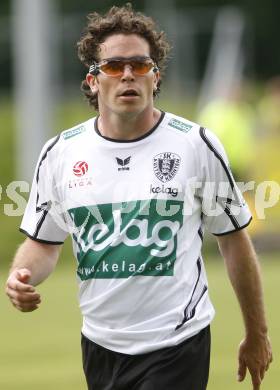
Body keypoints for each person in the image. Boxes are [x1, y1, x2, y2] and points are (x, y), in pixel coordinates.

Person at [6, 4, 272, 390]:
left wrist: (257, 332)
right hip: (99, 344)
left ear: (155, 76)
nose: (128, 74)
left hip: (177, 341)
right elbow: (43, 244)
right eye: (114, 66)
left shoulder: (194, 145)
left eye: (140, 65)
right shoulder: (61, 153)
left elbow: (233, 241)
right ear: (94, 80)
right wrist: (20, 275)